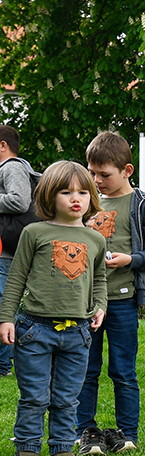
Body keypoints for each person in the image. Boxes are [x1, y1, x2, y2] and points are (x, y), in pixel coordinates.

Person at [0, 161, 108, 456]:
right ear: (49, 195)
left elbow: (99, 279)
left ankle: (62, 454)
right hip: (35, 330)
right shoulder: (34, 233)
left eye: (83, 192)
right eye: (66, 192)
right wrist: (6, 319)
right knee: (34, 397)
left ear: (91, 197)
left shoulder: (96, 239)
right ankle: (27, 454)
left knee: (67, 399)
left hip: (78, 332)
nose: (76, 199)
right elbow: (16, 279)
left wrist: (100, 305)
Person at [76, 130, 145, 456]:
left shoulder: (144, 205)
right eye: (92, 173)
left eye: (104, 174)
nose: (96, 180)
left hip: (123, 301)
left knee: (123, 371)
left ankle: (127, 433)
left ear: (127, 170)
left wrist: (130, 259)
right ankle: (84, 430)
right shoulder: (87, 202)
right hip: (87, 302)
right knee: (85, 370)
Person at [0, 124, 39, 378]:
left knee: (4, 307)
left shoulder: (11, 167)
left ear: (3, 145)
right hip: (8, 249)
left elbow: (19, 200)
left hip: (7, 253)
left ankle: (3, 365)